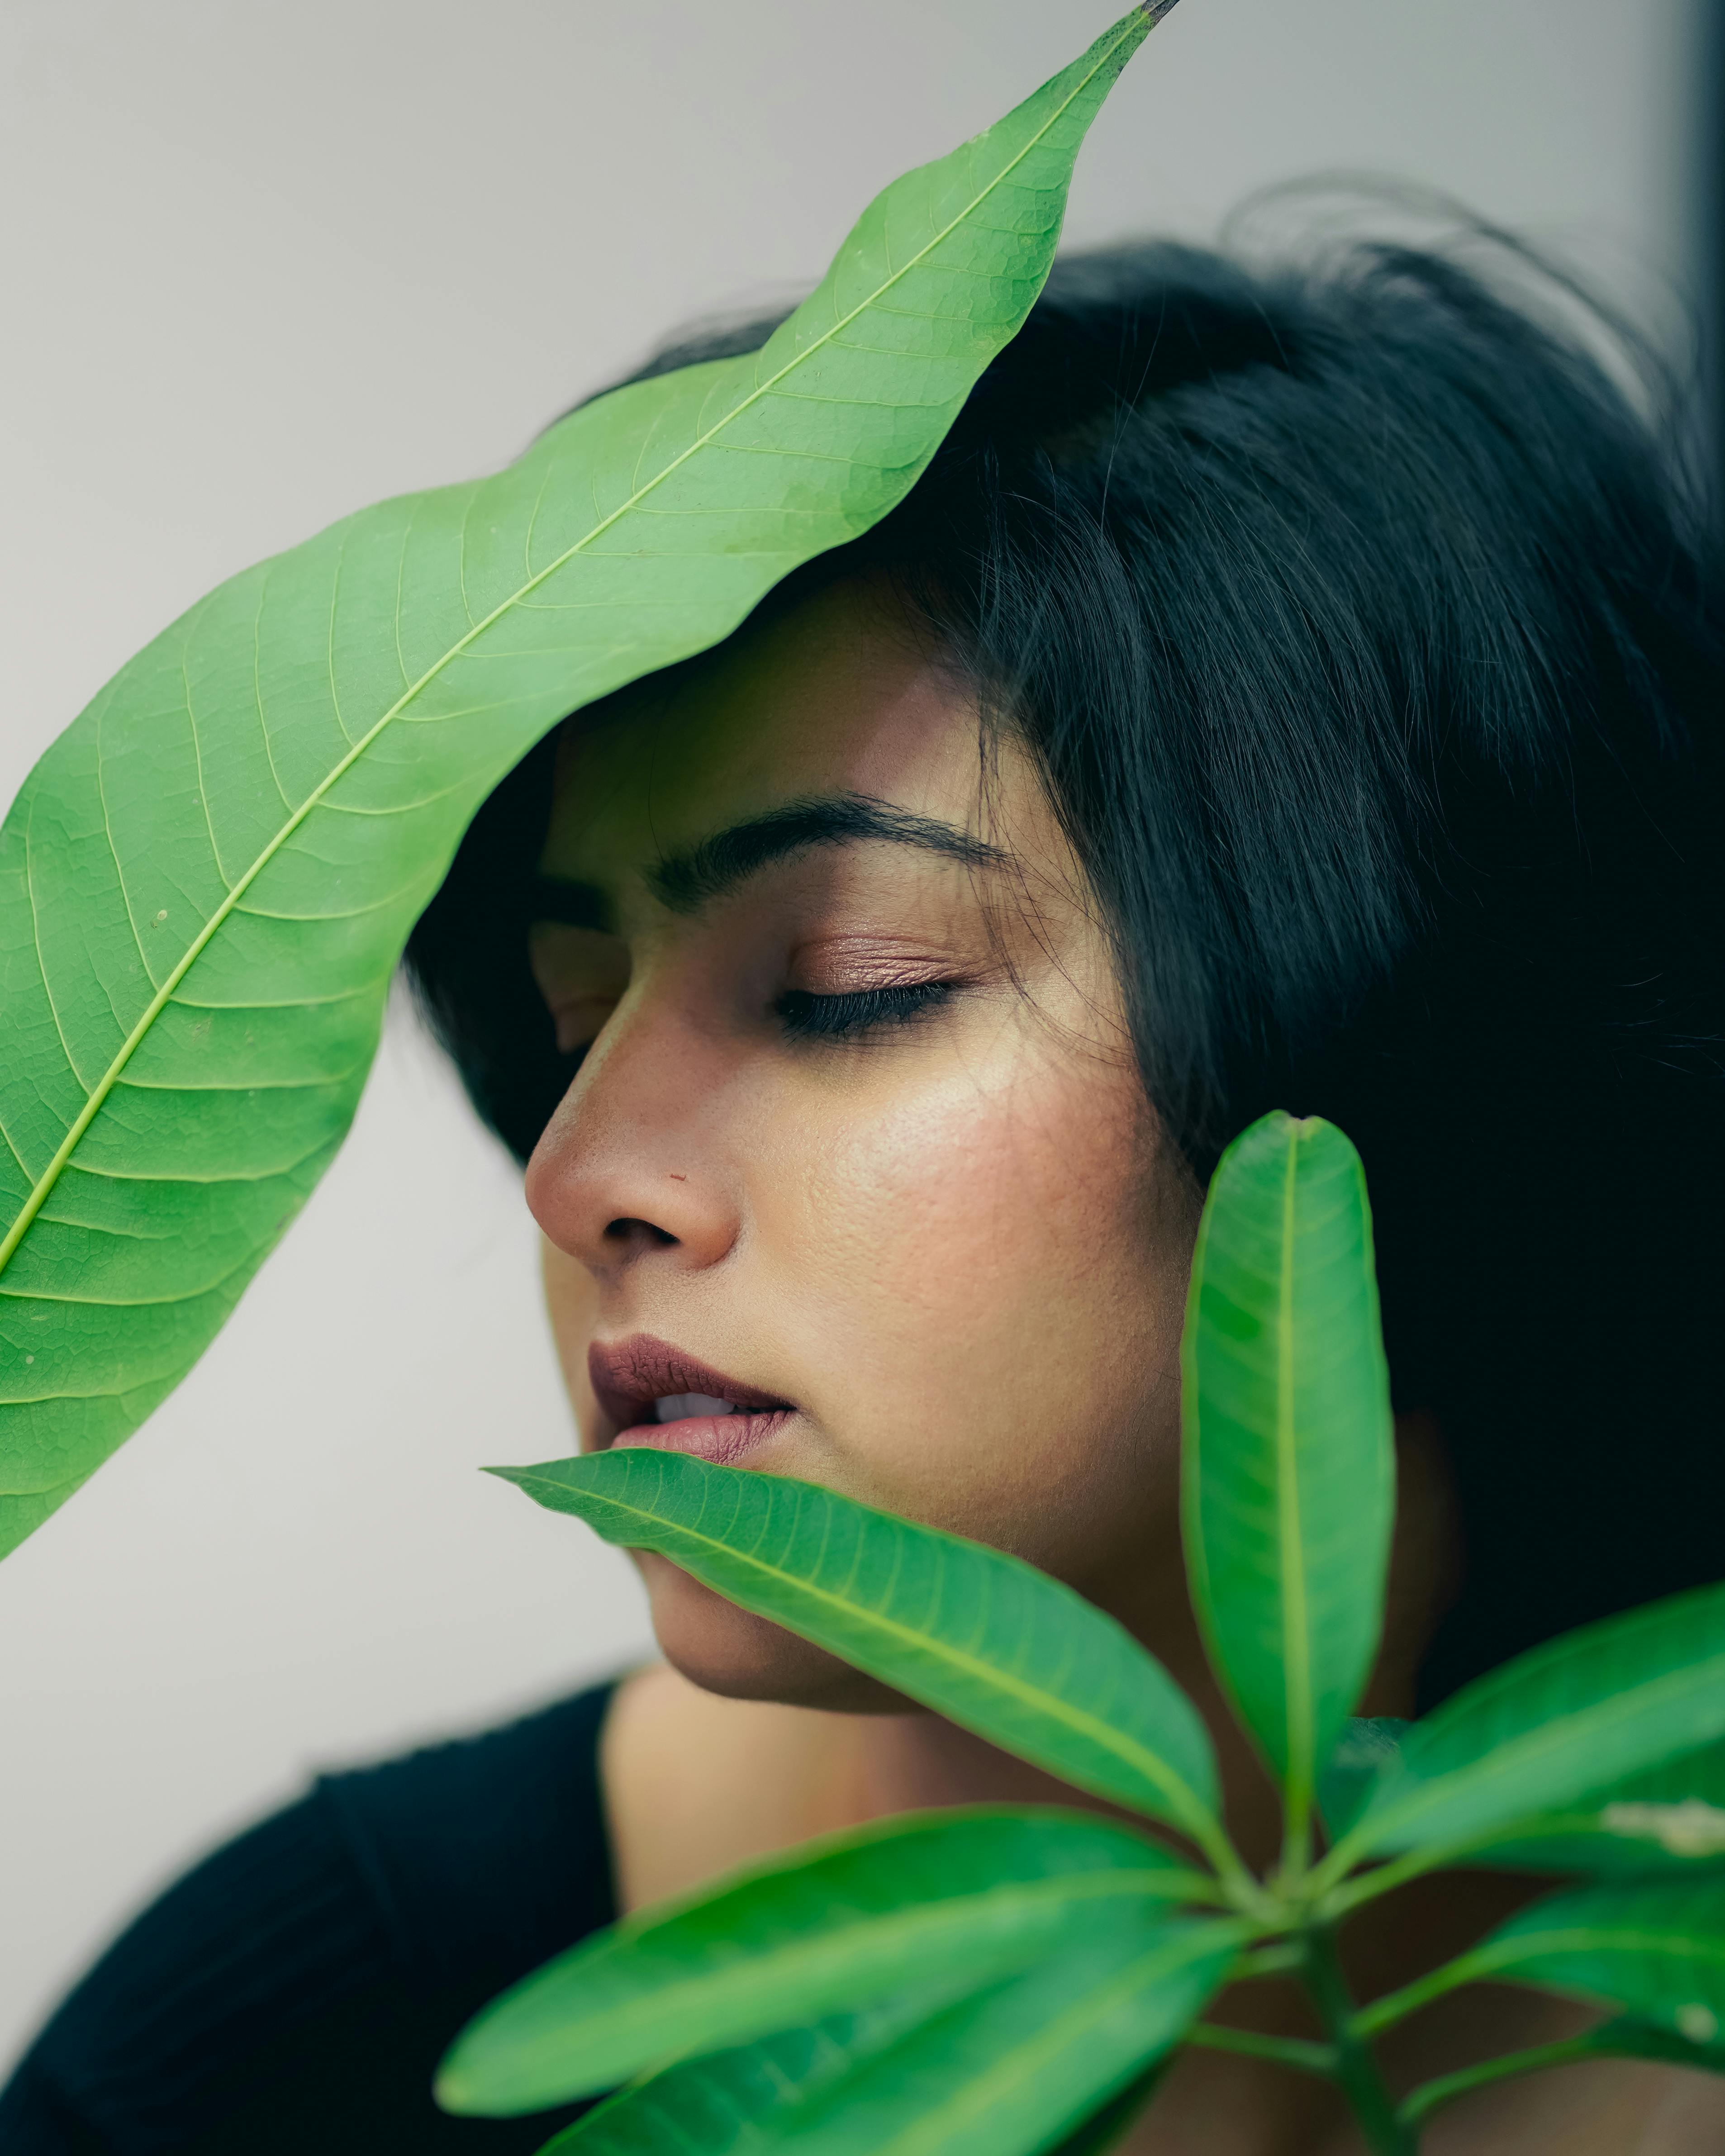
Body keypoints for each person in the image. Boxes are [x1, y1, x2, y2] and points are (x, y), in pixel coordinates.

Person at [3, 226, 1721, 2156]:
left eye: (848, 990)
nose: (578, 1176)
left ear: (1408, 1049)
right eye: (575, 1013)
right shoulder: (277, 2062)